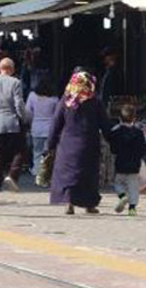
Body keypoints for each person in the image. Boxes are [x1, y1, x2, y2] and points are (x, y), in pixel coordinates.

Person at [48, 70, 112, 215]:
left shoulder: (66, 101)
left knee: (69, 175)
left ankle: (69, 202)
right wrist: (113, 139)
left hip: (67, 145)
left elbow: (56, 123)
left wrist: (50, 144)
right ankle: (89, 204)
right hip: (89, 144)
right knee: (88, 176)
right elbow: (105, 124)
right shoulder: (95, 101)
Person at [0, 58, 28, 192]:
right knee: (19, 151)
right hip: (12, 121)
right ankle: (12, 176)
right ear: (12, 69)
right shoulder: (16, 82)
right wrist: (24, 119)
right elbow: (19, 103)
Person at [108, 104, 146, 216]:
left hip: (120, 163)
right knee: (133, 187)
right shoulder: (138, 133)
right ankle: (132, 208)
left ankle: (122, 196)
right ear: (134, 118)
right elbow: (143, 149)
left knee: (118, 183)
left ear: (120, 118)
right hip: (134, 165)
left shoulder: (116, 132)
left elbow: (113, 149)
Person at [26, 77, 61, 186]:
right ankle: (47, 175)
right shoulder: (54, 98)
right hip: (50, 128)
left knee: (37, 152)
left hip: (36, 127)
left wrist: (29, 123)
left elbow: (28, 112)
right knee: (49, 154)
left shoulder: (32, 96)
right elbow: (57, 115)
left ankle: (37, 173)